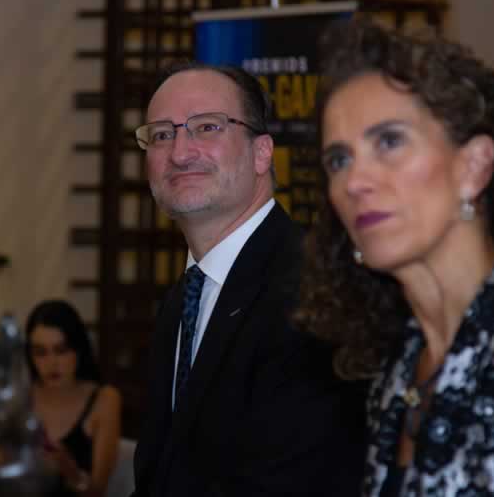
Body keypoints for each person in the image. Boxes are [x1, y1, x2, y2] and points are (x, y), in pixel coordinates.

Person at [294, 16, 494, 495]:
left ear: (473, 166)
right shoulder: (400, 369)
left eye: (389, 141)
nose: (355, 182)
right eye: (339, 160)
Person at [131, 62, 367, 497]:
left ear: (262, 153)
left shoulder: (315, 291)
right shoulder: (181, 301)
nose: (180, 153)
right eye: (161, 135)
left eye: (207, 127)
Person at [25, 299, 122, 497]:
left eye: (61, 351)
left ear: (78, 350)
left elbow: (97, 491)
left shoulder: (104, 399)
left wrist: (71, 472)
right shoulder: (20, 397)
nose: (51, 363)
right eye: (41, 353)